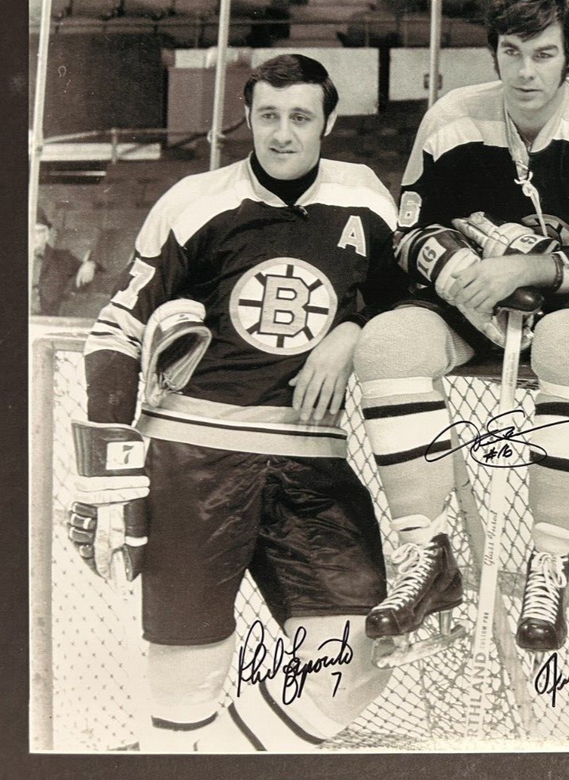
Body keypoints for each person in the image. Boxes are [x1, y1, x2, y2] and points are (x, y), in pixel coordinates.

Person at [72, 54, 409, 752]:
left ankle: (221, 761)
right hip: (194, 460)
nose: (283, 134)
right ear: (247, 118)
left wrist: (353, 329)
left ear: (329, 122)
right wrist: (109, 478)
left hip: (312, 463)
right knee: (185, 684)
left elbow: (403, 303)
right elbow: (116, 328)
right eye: (267, 117)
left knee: (357, 663)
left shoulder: (367, 199)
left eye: (300, 117)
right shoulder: (196, 200)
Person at [351, 0, 569, 654]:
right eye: (512, 51)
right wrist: (455, 273)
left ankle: (550, 560)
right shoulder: (452, 117)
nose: (525, 71)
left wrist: (532, 268)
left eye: (543, 53)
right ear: (494, 51)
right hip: (467, 299)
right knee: (388, 343)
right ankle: (425, 555)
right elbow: (408, 233)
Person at [32, 207, 97, 316]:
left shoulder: (63, 259)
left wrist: (91, 265)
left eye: (37, 232)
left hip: (50, 322)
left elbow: (90, 279)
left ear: (47, 234)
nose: (32, 237)